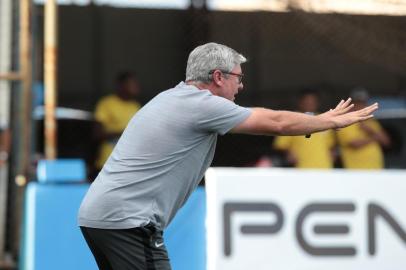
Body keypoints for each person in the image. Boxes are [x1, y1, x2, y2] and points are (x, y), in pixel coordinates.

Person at [78, 43, 378, 270]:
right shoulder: (200, 104)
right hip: (127, 221)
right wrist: (329, 120)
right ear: (218, 76)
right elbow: (276, 122)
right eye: (238, 77)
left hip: (105, 217)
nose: (242, 85)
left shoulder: (175, 97)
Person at [273, 89, 336, 168]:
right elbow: (281, 144)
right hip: (301, 168)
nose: (310, 103)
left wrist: (332, 155)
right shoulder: (292, 118)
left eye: (312, 101)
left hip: (324, 167)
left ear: (317, 103)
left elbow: (331, 145)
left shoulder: (324, 119)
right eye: (307, 101)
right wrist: (288, 153)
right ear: (300, 102)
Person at [93, 72, 141, 172]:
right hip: (107, 162)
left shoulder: (136, 106)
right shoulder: (106, 104)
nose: (136, 87)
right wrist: (125, 132)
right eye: (131, 84)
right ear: (121, 86)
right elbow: (97, 134)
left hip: (129, 163)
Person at [336, 88, 390, 169]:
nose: (360, 106)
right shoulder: (345, 121)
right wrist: (374, 137)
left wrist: (371, 131)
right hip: (356, 171)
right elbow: (354, 144)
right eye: (357, 103)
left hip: (376, 169)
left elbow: (386, 142)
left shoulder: (371, 121)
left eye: (363, 103)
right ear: (351, 104)